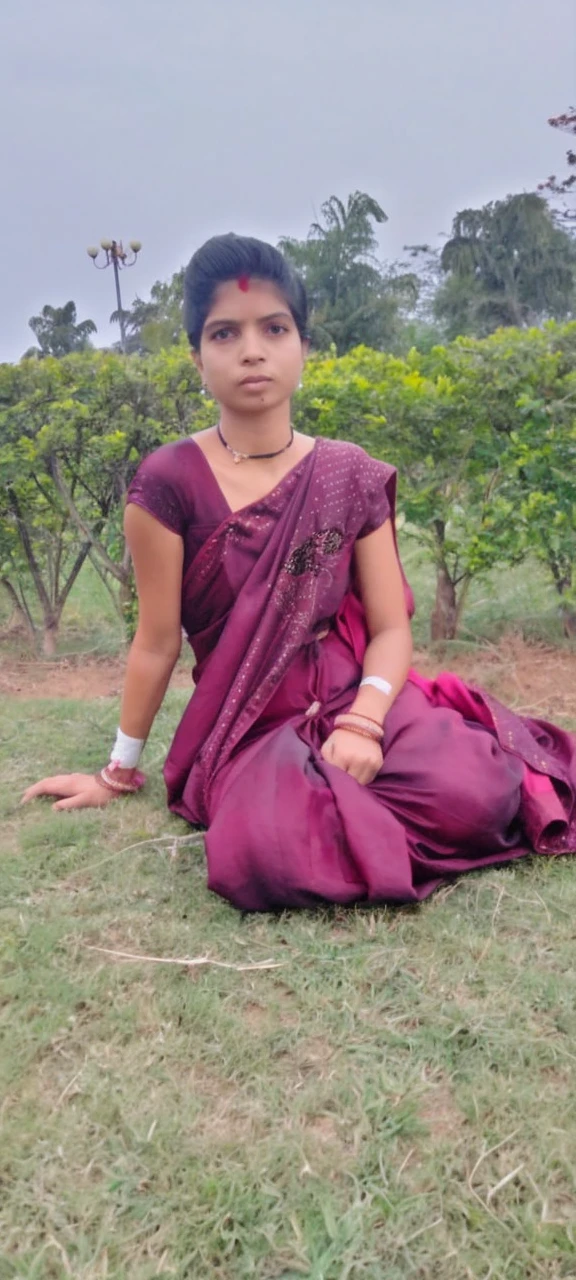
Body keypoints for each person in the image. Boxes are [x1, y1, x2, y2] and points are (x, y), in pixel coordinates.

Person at [23, 234, 576, 911]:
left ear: (303, 347)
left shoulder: (347, 472)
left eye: (274, 328)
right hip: (250, 727)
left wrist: (366, 721)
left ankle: (360, 803)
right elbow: (157, 641)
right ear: (197, 357)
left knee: (475, 795)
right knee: (268, 850)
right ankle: (330, 813)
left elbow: (390, 627)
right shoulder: (168, 483)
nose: (252, 349)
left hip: (357, 700)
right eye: (225, 333)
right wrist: (117, 770)